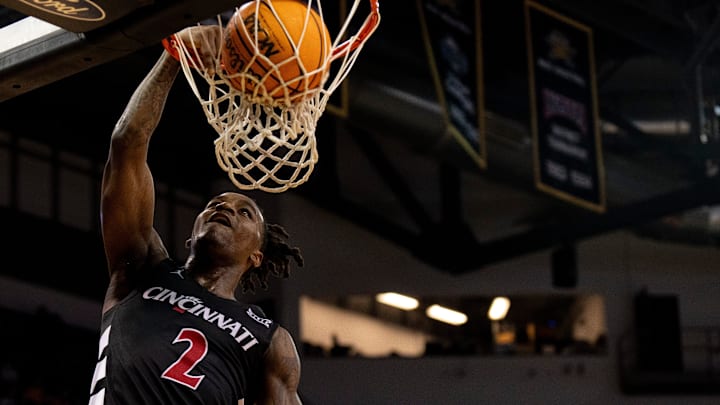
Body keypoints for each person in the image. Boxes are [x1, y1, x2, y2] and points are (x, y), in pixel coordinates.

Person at [87, 24, 305, 405]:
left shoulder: (270, 340)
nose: (225, 208)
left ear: (257, 255)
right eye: (215, 204)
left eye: (245, 212)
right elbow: (127, 142)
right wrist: (175, 54)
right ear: (191, 236)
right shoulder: (141, 268)